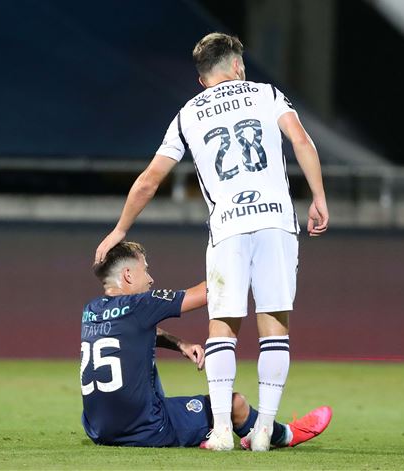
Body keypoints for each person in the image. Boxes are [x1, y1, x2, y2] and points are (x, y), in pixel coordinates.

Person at [94, 32, 329, 451]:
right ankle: (263, 430)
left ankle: (221, 430)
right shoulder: (266, 94)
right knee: (274, 324)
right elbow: (301, 141)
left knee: (222, 326)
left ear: (202, 80)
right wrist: (319, 197)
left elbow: (150, 180)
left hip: (227, 227)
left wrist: (120, 229)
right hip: (276, 220)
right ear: (238, 66)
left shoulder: (188, 114)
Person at [81, 241, 332, 449]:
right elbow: (209, 291)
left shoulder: (91, 311)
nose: (150, 278)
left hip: (99, 430)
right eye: (145, 270)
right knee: (235, 404)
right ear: (127, 274)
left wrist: (179, 343)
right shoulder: (142, 304)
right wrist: (248, 262)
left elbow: (132, 332)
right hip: (147, 429)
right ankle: (285, 434)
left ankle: (202, 431)